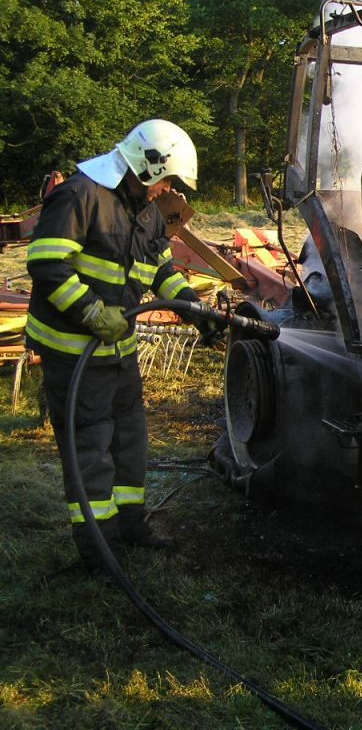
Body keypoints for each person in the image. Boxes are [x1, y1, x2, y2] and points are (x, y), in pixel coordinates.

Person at [25, 119, 206, 572]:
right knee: (91, 450)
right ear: (146, 166)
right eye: (166, 179)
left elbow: (159, 265)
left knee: (130, 442)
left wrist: (190, 304)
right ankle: (98, 550)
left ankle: (131, 528)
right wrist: (89, 311)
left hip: (118, 352)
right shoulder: (80, 196)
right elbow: (48, 264)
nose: (168, 190)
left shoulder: (144, 209)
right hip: (74, 353)